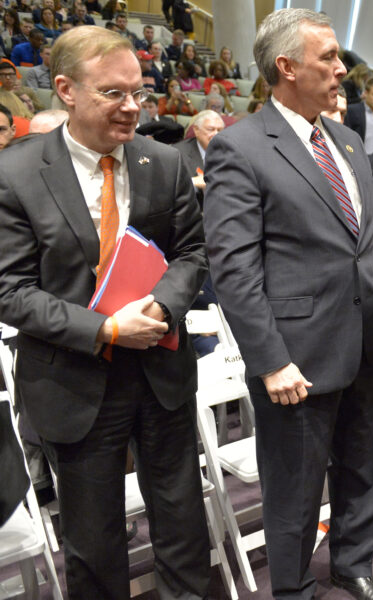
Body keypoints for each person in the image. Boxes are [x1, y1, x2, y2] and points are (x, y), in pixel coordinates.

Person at [0, 25, 210, 599]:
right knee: (93, 541)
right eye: (113, 93)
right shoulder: (16, 174)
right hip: (75, 377)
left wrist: (162, 306)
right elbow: (10, 290)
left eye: (138, 92)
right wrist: (106, 329)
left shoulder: (161, 162)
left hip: (160, 368)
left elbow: (192, 252)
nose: (131, 107)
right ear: (65, 89)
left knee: (183, 522)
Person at [203, 8, 373, 600]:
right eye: (329, 58)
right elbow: (234, 268)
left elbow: (369, 234)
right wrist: (269, 359)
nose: (343, 70)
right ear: (286, 67)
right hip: (298, 352)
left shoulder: (345, 139)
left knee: (364, 459)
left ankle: (353, 561)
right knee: (296, 480)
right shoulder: (240, 147)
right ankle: (289, 586)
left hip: (367, 333)